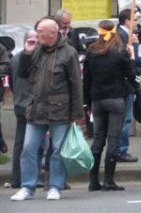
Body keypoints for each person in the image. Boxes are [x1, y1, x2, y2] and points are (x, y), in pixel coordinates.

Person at [11, 17, 83, 202]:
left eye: (41, 32)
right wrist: (26, 54)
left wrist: (77, 114)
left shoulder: (69, 53)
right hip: (36, 109)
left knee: (57, 149)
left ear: (52, 33)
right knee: (28, 148)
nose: (37, 35)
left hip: (60, 110)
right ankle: (28, 186)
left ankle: (55, 186)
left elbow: (76, 83)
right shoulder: (35, 51)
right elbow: (22, 74)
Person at [83, 20, 137, 191]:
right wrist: (131, 57)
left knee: (98, 139)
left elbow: (87, 80)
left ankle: (93, 181)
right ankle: (108, 180)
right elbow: (131, 74)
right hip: (115, 98)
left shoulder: (91, 52)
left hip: (97, 99)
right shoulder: (120, 52)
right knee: (113, 139)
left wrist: (87, 102)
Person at [115, 8, 141, 164]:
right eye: (135, 19)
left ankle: (119, 149)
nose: (137, 22)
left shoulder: (125, 35)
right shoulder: (121, 36)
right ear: (127, 21)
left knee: (123, 119)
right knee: (124, 120)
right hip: (124, 84)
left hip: (125, 83)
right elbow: (126, 60)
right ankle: (121, 150)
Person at [8, 31, 36, 189]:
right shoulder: (32, 58)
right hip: (31, 104)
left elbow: (12, 82)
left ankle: (16, 177)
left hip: (19, 103)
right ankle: (31, 177)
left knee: (20, 143)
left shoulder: (15, 58)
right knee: (33, 144)